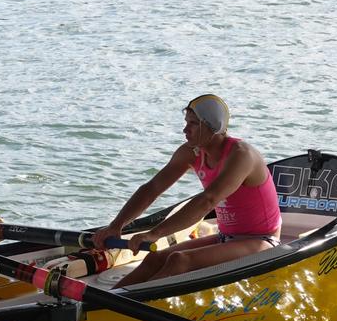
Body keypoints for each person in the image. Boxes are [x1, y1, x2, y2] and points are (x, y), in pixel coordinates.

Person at [91, 94, 281, 287]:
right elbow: (152, 188)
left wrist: (153, 234)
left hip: (262, 242)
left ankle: (126, 305)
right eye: (186, 122)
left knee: (180, 260)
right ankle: (106, 302)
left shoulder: (242, 155)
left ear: (212, 126)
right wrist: (116, 226)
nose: (185, 129)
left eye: (193, 123)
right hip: (226, 238)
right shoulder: (191, 152)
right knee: (154, 259)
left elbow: (207, 201)